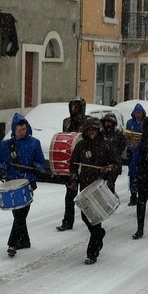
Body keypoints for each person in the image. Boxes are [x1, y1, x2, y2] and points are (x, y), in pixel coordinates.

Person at [0, 113, 46, 257]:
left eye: (24, 129)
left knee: (20, 215)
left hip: (27, 184)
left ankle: (12, 243)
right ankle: (24, 241)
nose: (22, 132)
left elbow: (41, 162)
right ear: (14, 129)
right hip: (11, 184)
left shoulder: (34, 143)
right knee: (18, 214)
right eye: (19, 130)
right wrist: (1, 171)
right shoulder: (6, 145)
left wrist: (36, 167)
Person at [68, 117, 119, 265]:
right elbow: (73, 164)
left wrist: (108, 169)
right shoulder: (81, 146)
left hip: (100, 185)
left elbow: (117, 164)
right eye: (89, 130)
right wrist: (73, 179)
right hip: (85, 184)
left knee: (95, 217)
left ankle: (92, 252)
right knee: (86, 217)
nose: (91, 132)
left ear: (98, 130)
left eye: (94, 129)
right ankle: (99, 235)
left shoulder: (107, 145)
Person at [56, 97, 89, 232]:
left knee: (86, 194)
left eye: (76, 106)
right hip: (73, 162)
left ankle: (90, 220)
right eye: (72, 106)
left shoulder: (88, 121)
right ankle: (68, 222)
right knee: (70, 194)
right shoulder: (66, 121)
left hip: (86, 161)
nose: (74, 109)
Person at [101, 113, 127, 194]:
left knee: (110, 184)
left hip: (114, 162)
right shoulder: (101, 133)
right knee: (103, 184)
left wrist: (115, 153)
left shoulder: (118, 134)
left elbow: (123, 146)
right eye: (106, 122)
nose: (108, 124)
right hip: (102, 162)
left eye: (110, 122)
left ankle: (111, 198)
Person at [126, 103, 147, 206]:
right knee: (132, 174)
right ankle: (133, 195)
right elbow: (127, 135)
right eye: (136, 112)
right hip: (132, 151)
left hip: (142, 152)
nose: (137, 114)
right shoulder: (130, 123)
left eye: (139, 112)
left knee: (141, 174)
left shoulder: (145, 122)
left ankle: (141, 195)